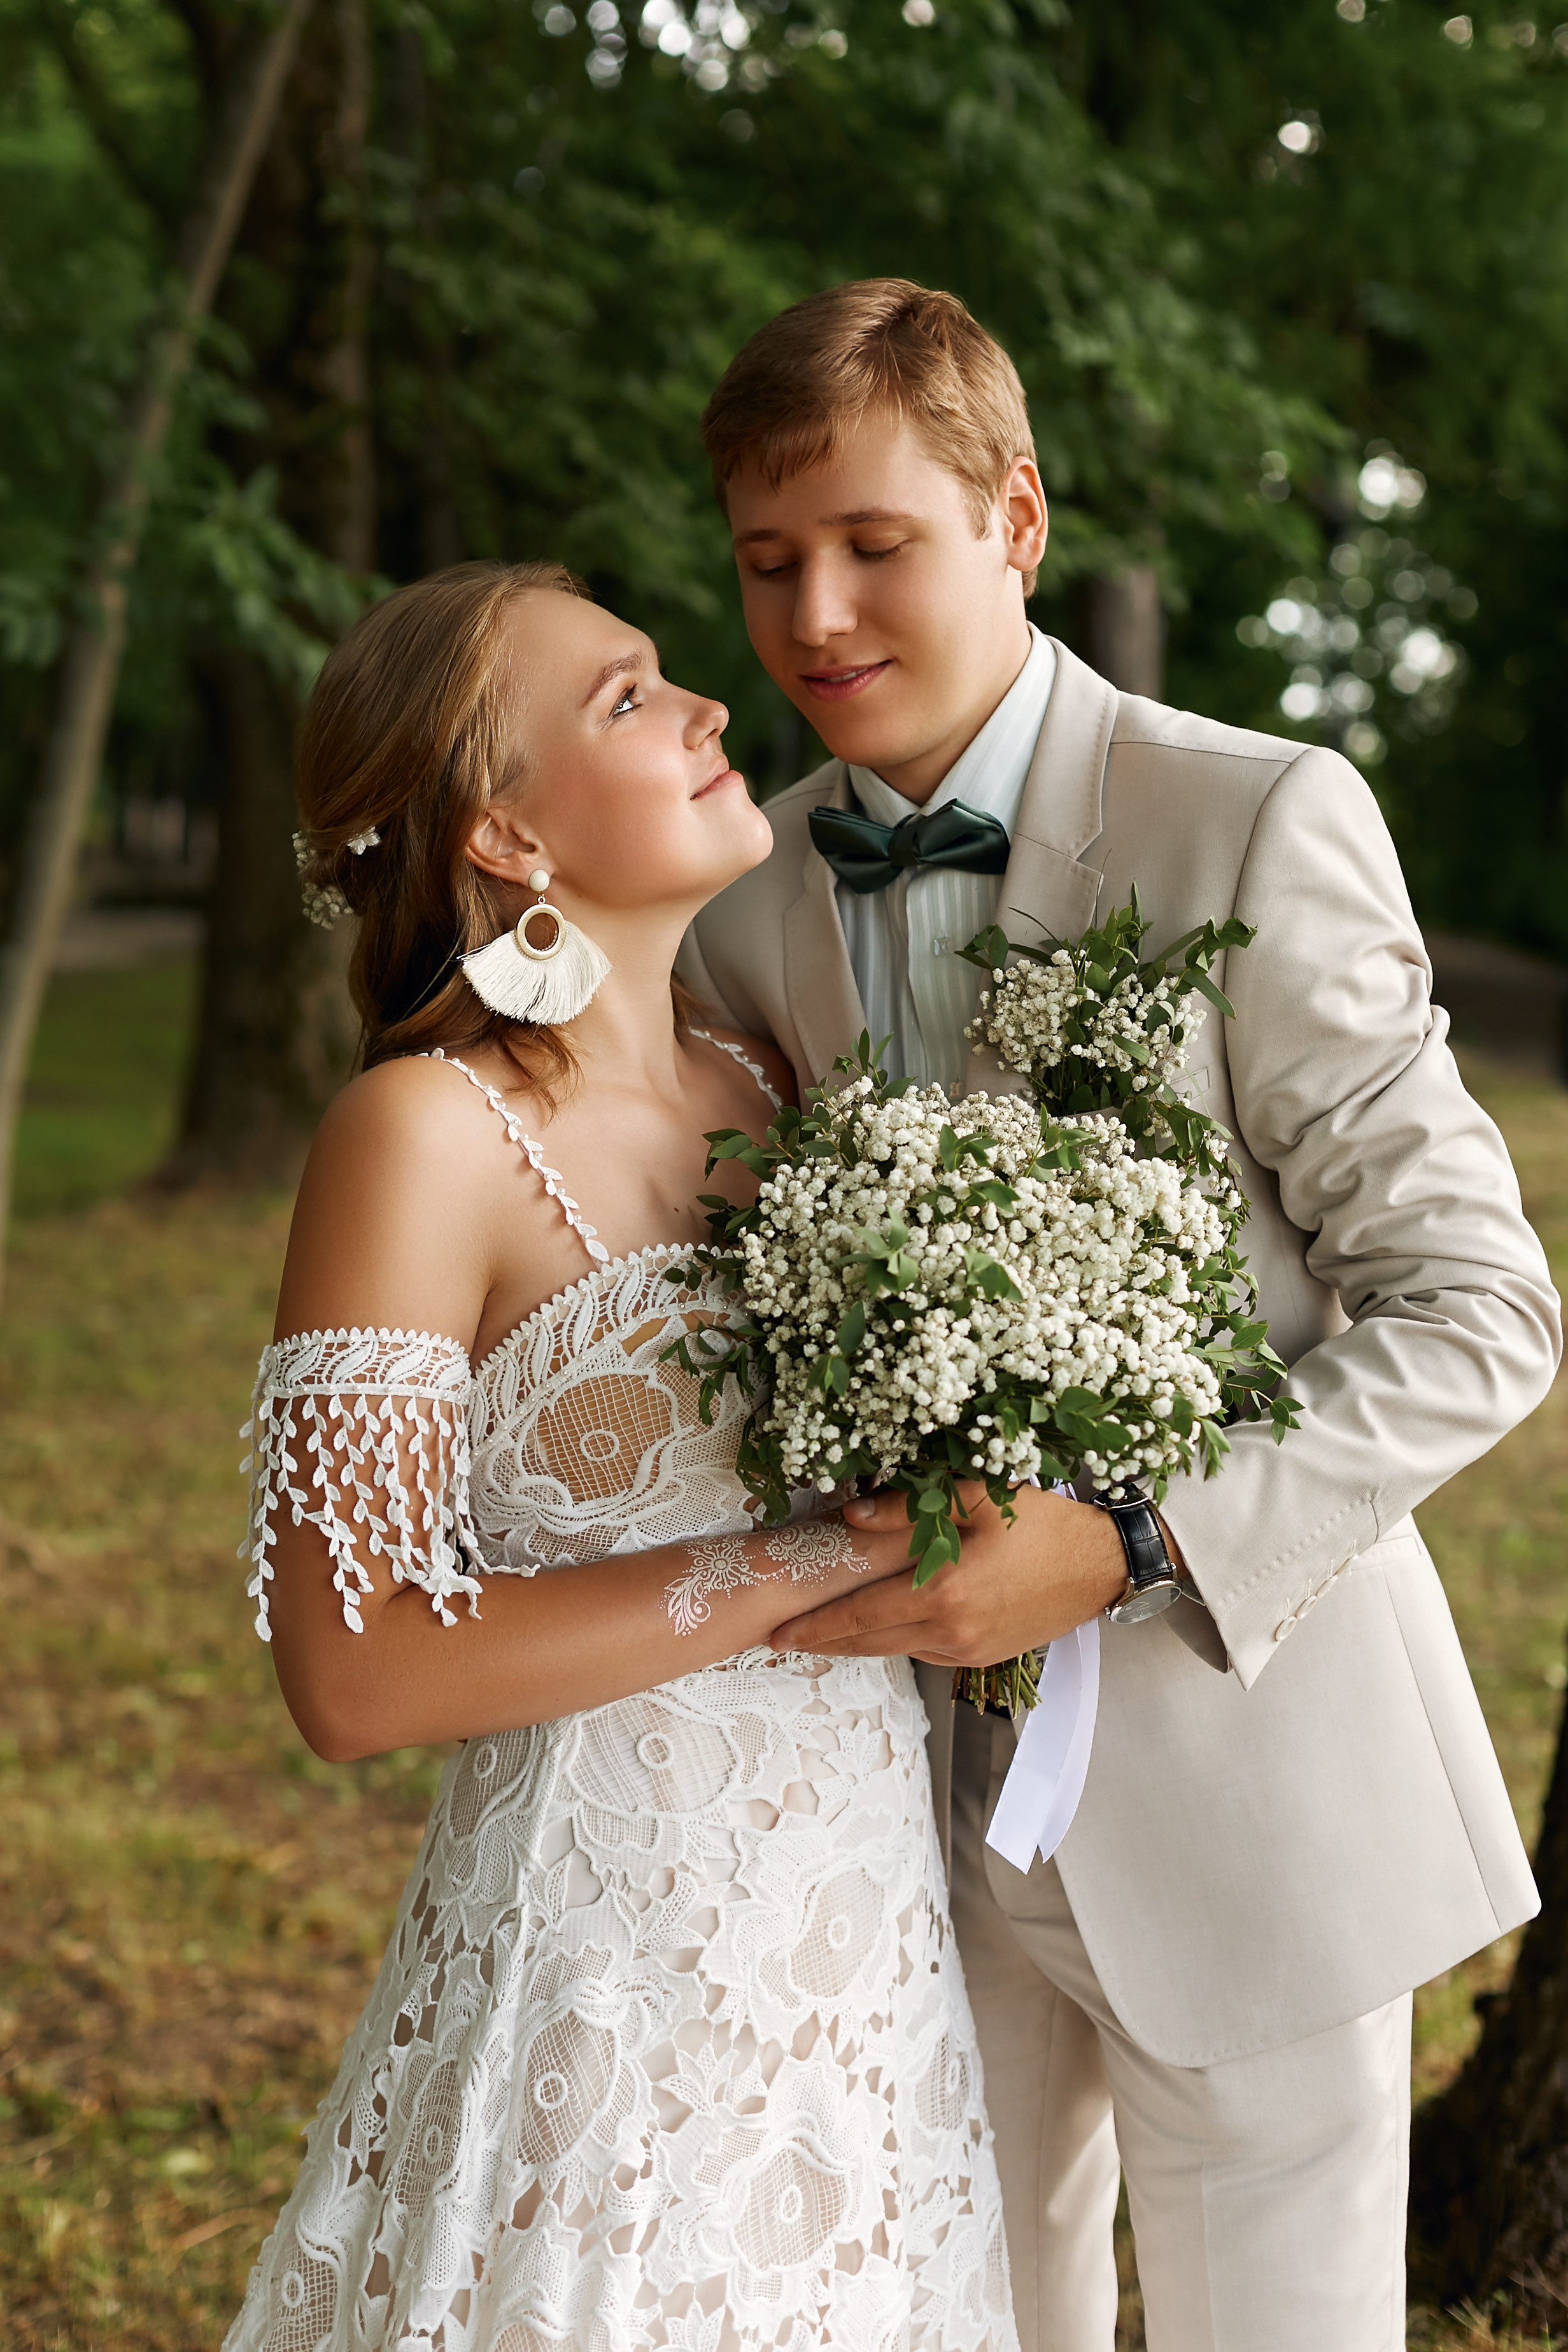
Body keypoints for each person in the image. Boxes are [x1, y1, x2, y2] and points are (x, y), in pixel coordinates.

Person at [676, 279, 1564, 2352]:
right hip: (893, 1813)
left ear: (1016, 518)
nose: (813, 616)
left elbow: (1476, 1306)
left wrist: (1139, 1537)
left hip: (1253, 1780)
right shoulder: (743, 897)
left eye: (873, 545)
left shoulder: (1245, 819)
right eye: (765, 562)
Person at [225, 559, 1019, 2351]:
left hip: (858, 1935)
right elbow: (348, 1669)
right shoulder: (420, 1138)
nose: (708, 706)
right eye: (629, 696)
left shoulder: (779, 1086)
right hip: (604, 1958)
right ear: (505, 832)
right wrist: (805, 1563)